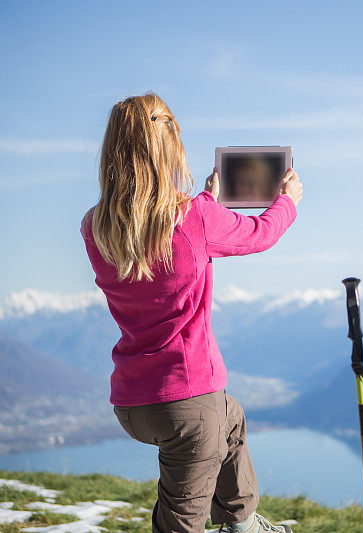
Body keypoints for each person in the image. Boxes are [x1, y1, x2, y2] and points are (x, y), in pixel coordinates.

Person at [80, 93, 302, 533]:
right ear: (171, 148)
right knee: (179, 523)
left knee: (231, 417)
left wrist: (206, 201)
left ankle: (241, 522)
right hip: (186, 403)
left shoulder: (96, 226)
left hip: (132, 401)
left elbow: (158, 246)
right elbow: (259, 234)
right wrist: (287, 202)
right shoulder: (195, 218)